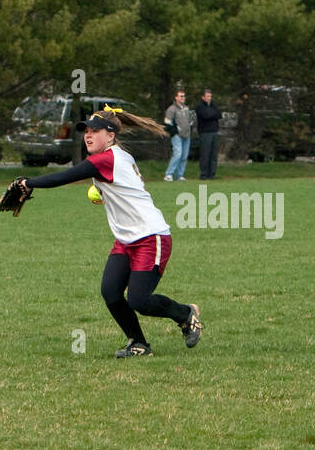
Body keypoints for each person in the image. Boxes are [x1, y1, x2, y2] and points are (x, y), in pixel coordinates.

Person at [12, 106, 203, 357]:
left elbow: (67, 176)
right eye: (86, 131)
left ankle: (185, 314)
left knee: (139, 300)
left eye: (95, 131)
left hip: (151, 237)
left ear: (111, 136)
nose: (88, 136)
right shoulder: (117, 157)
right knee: (111, 293)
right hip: (126, 239)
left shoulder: (106, 159)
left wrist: (28, 182)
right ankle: (138, 343)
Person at [162, 88, 196, 181]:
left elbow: (190, 120)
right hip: (177, 135)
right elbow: (167, 122)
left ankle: (180, 175)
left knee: (184, 156)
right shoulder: (171, 109)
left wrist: (190, 129)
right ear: (176, 97)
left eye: (184, 96)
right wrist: (175, 132)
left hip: (186, 135)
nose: (183, 98)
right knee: (178, 154)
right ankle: (169, 174)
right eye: (181, 96)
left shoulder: (186, 108)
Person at [194, 88, 222, 179]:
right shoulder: (199, 107)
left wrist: (212, 113)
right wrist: (212, 114)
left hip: (214, 132)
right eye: (208, 96)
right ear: (203, 97)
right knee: (205, 154)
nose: (210, 98)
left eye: (210, 96)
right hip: (205, 133)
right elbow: (206, 116)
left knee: (213, 155)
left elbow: (219, 114)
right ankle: (204, 174)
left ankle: (212, 174)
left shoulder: (213, 105)